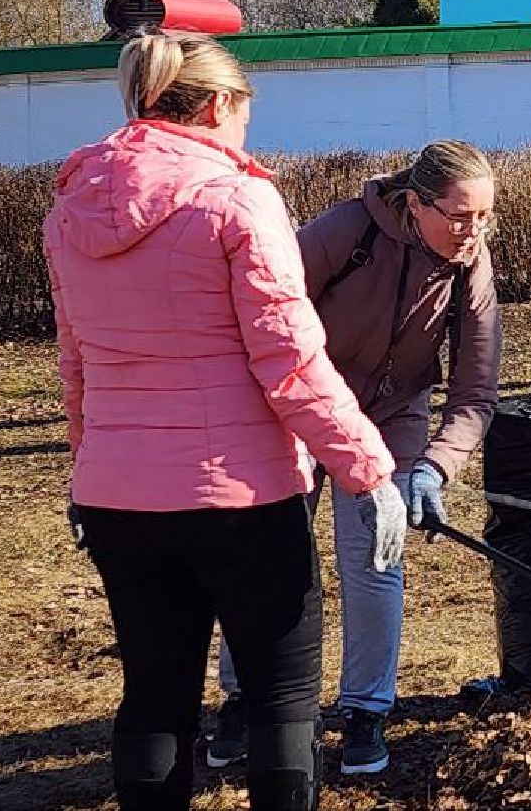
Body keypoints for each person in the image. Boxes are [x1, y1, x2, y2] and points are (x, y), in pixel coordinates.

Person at [47, 31, 404, 811]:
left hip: (119, 500)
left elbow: (75, 364)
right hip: (242, 505)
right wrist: (367, 471)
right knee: (281, 702)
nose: (247, 127)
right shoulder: (239, 196)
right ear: (217, 105)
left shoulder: (71, 200)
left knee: (153, 699)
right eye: (245, 110)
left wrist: (86, 469)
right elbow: (291, 360)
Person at [209, 140, 502, 777]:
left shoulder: (469, 265)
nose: (471, 232)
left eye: (484, 217)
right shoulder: (343, 233)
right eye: (458, 215)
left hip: (393, 418)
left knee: (376, 555)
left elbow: (475, 391)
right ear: (415, 202)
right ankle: (243, 698)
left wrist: (436, 465)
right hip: (297, 414)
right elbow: (263, 312)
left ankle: (366, 710)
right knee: (271, 558)